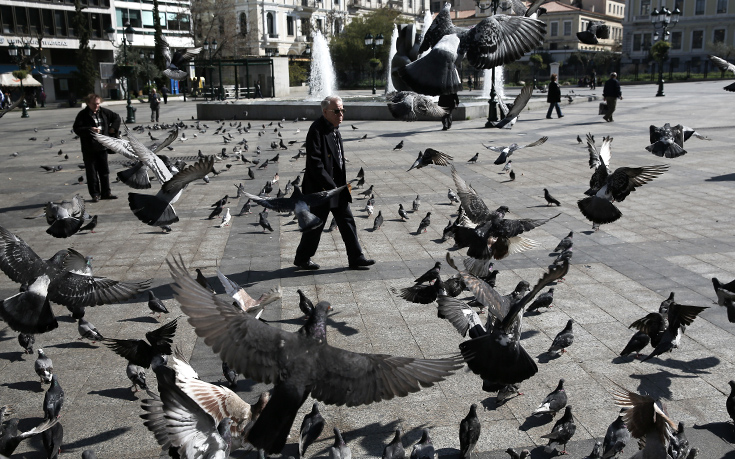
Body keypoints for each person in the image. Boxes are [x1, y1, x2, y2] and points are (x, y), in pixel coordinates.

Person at [293, 95, 375, 271]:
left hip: (336, 188)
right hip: (321, 190)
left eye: (342, 110)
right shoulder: (316, 130)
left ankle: (356, 257)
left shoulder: (334, 129)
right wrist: (331, 187)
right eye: (337, 111)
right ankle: (302, 258)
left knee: (347, 221)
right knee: (315, 226)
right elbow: (315, 164)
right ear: (325, 112)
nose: (341, 114)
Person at [72, 94, 121, 202]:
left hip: (102, 146)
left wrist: (113, 128)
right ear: (88, 103)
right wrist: (90, 129)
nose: (96, 106)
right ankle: (95, 194)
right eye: (94, 104)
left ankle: (106, 193)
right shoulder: (83, 114)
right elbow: (77, 128)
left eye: (98, 103)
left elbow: (117, 117)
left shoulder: (104, 112)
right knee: (92, 173)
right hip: (89, 148)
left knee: (104, 172)